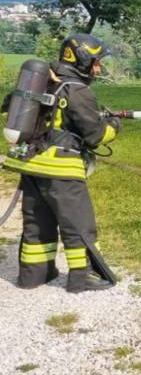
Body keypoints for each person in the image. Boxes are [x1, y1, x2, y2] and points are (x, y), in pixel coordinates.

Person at [3, 34, 122, 293]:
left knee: (37, 223)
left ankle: (33, 275)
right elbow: (96, 136)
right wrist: (113, 125)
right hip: (62, 170)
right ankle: (85, 276)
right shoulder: (77, 90)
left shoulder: (42, 80)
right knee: (78, 223)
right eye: (96, 62)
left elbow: (10, 106)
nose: (98, 68)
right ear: (81, 60)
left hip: (32, 166)